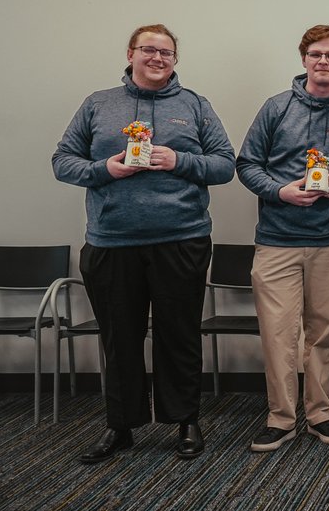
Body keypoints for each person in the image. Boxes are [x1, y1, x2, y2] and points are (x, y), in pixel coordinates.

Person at [52, 23, 235, 463]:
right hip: (112, 242)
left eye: (166, 52)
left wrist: (180, 160)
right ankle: (121, 426)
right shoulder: (98, 104)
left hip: (182, 239)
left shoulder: (195, 105)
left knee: (180, 336)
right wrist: (104, 170)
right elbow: (62, 162)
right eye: (149, 50)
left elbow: (225, 164)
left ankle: (186, 421)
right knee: (120, 339)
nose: (157, 58)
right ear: (131, 53)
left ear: (175, 60)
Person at [236, 24, 329, 453]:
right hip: (277, 240)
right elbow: (247, 164)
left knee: (322, 331)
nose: (323, 62)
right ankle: (281, 418)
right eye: (315, 55)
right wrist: (279, 191)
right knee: (278, 333)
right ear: (303, 59)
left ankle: (321, 414)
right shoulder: (276, 108)